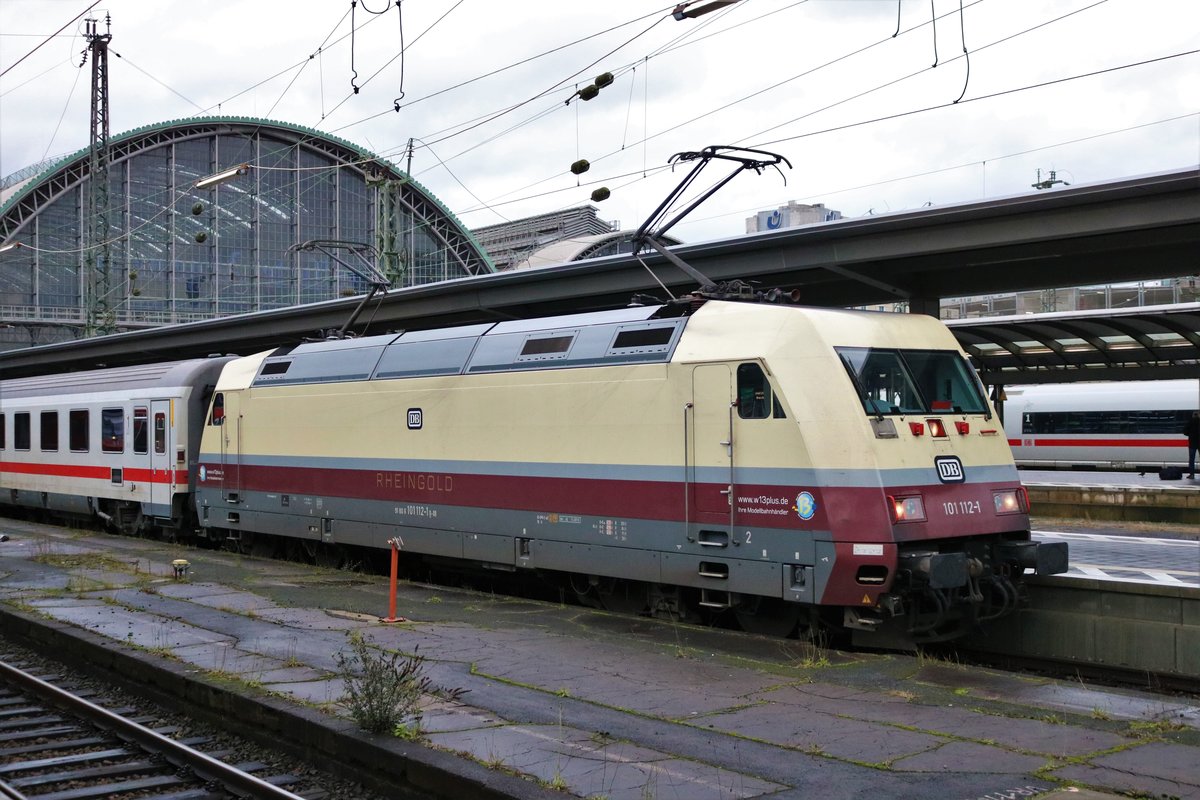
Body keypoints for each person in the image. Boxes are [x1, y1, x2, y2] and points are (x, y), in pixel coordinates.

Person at [1185, 410, 1200, 480]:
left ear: (1193, 415)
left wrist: (1190, 434)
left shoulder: (1190, 421)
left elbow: (1185, 431)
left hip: (1192, 443)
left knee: (1191, 459)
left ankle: (1192, 474)